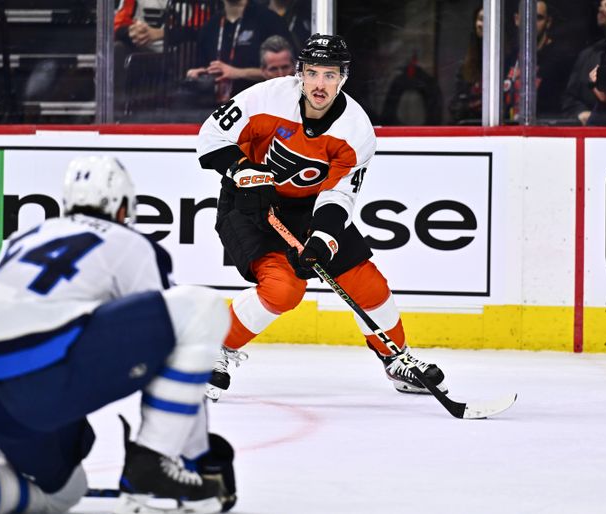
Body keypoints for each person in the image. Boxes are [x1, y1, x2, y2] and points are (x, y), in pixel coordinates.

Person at [0, 156, 236, 514]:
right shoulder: (131, 243)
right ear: (123, 205)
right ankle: (151, 461)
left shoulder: (23, 238)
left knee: (65, 492)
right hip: (43, 382)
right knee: (201, 306)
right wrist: (198, 459)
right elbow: (178, 339)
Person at [196, 33, 449, 401]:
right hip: (247, 204)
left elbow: (338, 194)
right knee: (283, 289)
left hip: (308, 208)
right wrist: (244, 172)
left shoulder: (356, 131)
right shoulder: (265, 97)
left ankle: (396, 360)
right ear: (300, 73)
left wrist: (322, 240)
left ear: (343, 77)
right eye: (312, 73)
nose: (319, 83)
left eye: (329, 75)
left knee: (367, 283)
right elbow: (211, 137)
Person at [185, 0, 291, 105]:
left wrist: (238, 73)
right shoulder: (209, 27)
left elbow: (287, 74)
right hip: (216, 111)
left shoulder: (270, 21)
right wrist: (201, 73)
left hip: (261, 109)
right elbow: (202, 66)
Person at [502, 0, 575, 122]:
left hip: (546, 132)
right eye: (526, 16)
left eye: (538, 18)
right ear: (516, 19)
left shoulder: (562, 60)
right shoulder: (508, 59)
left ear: (548, 22)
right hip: (509, 129)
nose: (531, 23)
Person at [449, 6, 484, 124]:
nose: (481, 24)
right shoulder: (466, 65)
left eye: (487, 20)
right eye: (480, 19)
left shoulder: (506, 61)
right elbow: (456, 105)